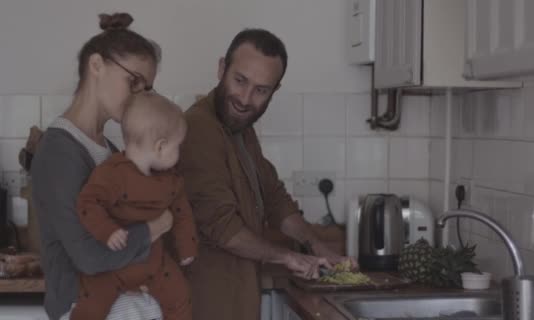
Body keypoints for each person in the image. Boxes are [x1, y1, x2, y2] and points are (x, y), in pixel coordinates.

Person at [179, 28, 358, 320]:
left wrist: (319, 248)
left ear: (275, 90)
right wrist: (288, 257)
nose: (246, 98)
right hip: (206, 302)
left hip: (236, 298)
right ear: (222, 68)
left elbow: (274, 198)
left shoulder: (240, 128)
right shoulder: (200, 129)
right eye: (240, 81)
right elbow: (223, 228)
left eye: (261, 90)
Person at [31, 13, 167, 320]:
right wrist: (155, 228)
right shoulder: (59, 152)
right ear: (96, 66)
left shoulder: (110, 150)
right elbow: (89, 257)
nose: (138, 98)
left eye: (145, 89)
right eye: (133, 82)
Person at [70, 93, 198, 320]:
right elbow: (88, 203)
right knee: (91, 306)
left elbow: (181, 211)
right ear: (161, 147)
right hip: (114, 266)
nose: (179, 154)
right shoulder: (111, 174)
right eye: (178, 147)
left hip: (154, 263)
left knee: (180, 296)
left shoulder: (170, 179)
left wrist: (187, 245)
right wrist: (107, 231)